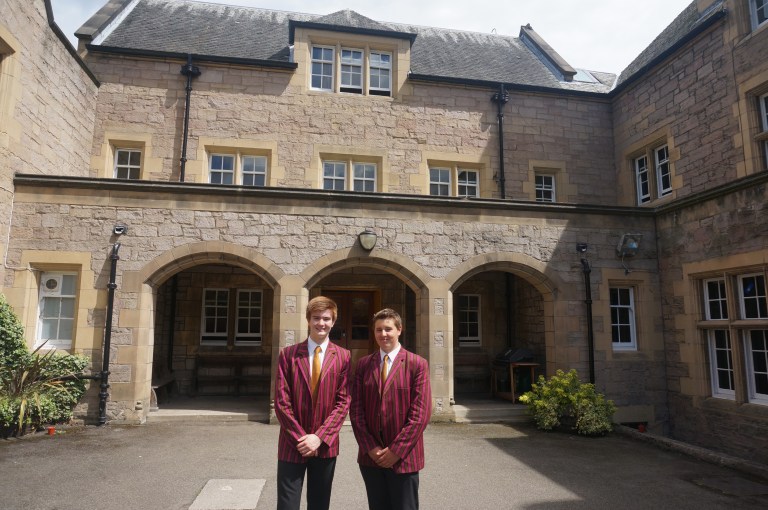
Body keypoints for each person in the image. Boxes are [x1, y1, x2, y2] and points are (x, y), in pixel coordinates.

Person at [350, 308, 432, 510]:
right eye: (379, 330)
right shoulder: (362, 365)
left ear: (399, 330)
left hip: (404, 459)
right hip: (372, 458)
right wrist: (370, 447)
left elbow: (420, 414)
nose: (383, 334)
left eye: (388, 329)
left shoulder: (417, 364)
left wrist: (396, 451)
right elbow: (356, 411)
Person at [274, 296, 351, 510]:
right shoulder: (288, 355)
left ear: (333, 321)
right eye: (316, 318)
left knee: (319, 504)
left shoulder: (343, 356)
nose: (321, 323)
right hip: (292, 443)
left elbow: (343, 402)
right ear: (308, 320)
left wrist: (319, 437)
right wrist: (302, 438)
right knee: (287, 505)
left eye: (326, 318)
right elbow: (281, 401)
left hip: (325, 446)